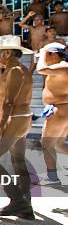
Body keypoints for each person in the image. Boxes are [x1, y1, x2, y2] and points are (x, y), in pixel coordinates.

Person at [0, 35, 35, 219]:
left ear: (6, 53)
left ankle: (17, 200)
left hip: (15, 118)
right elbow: (1, 91)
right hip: (22, 118)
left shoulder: (14, 70)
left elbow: (9, 102)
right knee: (18, 161)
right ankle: (25, 203)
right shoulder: (17, 69)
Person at [36, 42, 68, 185]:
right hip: (60, 109)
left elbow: (41, 69)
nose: (44, 58)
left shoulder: (62, 66)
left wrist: (43, 52)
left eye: (47, 56)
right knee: (59, 144)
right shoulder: (60, 67)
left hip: (60, 109)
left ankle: (52, 178)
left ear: (54, 54)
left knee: (47, 144)